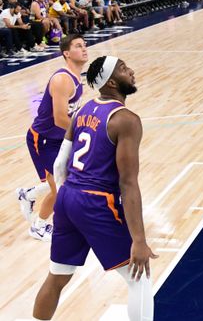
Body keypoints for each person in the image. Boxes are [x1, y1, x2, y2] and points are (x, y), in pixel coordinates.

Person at [32, 56, 156, 320]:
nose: (131, 70)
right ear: (111, 82)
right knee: (140, 279)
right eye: (124, 68)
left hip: (67, 198)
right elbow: (128, 182)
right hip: (96, 202)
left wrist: (69, 197)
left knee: (57, 277)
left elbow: (59, 166)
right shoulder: (126, 120)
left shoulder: (82, 110)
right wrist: (140, 240)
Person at [17, 35, 88, 241]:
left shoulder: (76, 76)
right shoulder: (62, 79)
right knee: (60, 188)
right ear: (66, 53)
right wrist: (85, 132)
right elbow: (59, 119)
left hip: (59, 138)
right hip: (44, 139)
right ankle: (38, 227)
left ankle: (28, 195)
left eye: (84, 45)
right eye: (78, 46)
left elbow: (70, 113)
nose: (84, 49)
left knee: (67, 180)